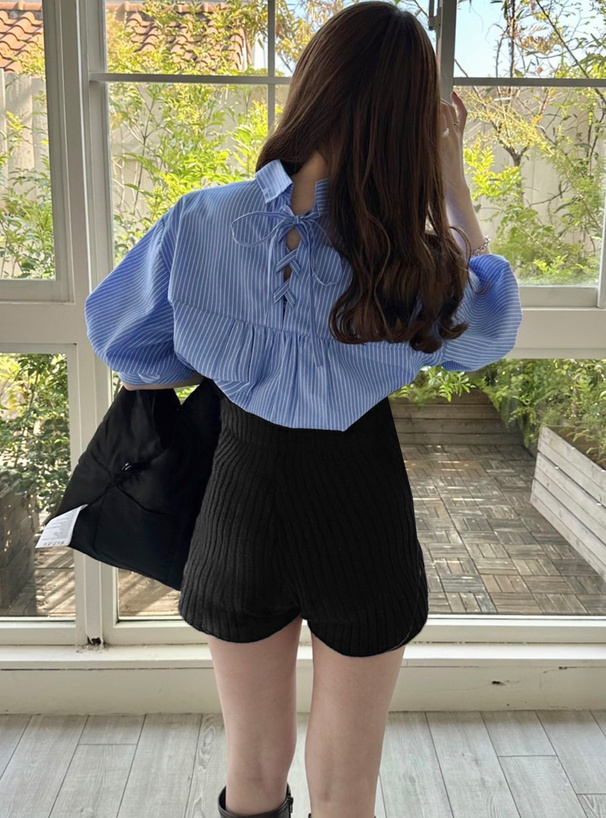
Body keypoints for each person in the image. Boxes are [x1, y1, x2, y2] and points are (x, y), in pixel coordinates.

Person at [84, 3, 523, 817]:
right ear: (410, 122)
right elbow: (488, 333)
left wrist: (235, 364)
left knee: (251, 767)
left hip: (241, 497)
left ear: (313, 86)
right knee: (349, 784)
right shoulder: (411, 257)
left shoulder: (201, 219)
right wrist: (452, 179)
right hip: (362, 507)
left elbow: (126, 343)